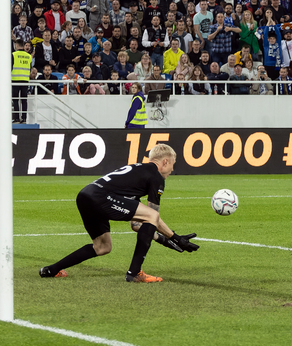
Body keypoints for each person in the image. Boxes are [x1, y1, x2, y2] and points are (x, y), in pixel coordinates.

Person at [39, 143, 199, 283]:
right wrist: (176, 238)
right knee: (152, 215)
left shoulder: (138, 172)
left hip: (85, 195)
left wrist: (165, 240)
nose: (172, 169)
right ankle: (134, 273)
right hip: (101, 197)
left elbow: (138, 225)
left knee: (102, 247)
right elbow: (152, 216)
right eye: (172, 164)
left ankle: (51, 270)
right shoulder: (156, 176)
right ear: (165, 162)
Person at [11, 39, 31, 123]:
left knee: (15, 99)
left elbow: (10, 67)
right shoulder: (29, 56)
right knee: (24, 100)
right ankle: (24, 119)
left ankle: (16, 118)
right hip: (25, 80)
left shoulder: (13, 55)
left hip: (15, 79)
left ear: (17, 45)